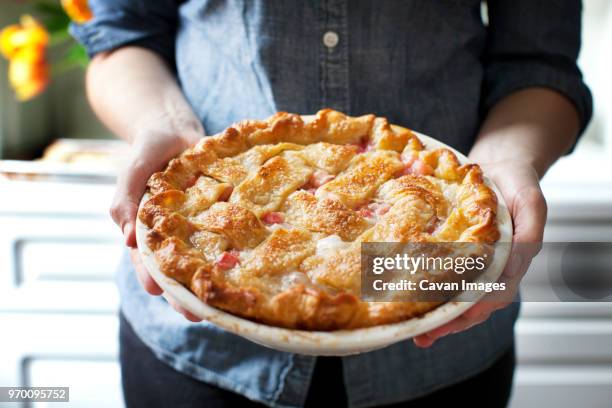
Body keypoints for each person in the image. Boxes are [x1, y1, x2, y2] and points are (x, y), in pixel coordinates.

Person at [71, 1, 592, 407]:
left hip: (441, 337)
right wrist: (158, 124)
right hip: (196, 351)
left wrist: (508, 159)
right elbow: (123, 33)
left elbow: (538, 61)